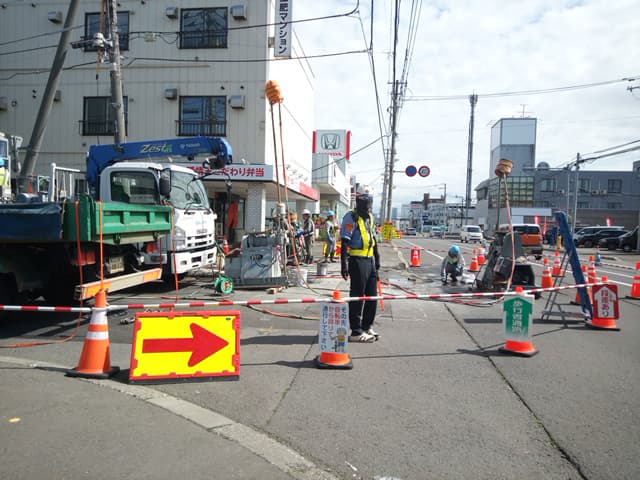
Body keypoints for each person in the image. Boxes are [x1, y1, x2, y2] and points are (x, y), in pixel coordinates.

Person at [340, 192, 380, 343]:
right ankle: (356, 331)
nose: (367, 210)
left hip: (370, 260)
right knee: (358, 296)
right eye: (365, 207)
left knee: (372, 296)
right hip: (357, 261)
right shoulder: (351, 218)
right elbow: (344, 242)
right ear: (358, 205)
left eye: (369, 207)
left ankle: (367, 326)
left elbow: (373, 237)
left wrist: (377, 257)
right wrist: (344, 265)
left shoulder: (370, 217)